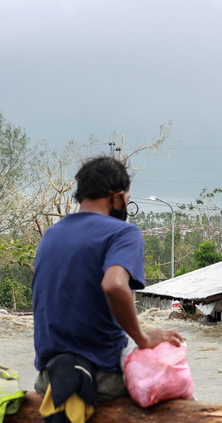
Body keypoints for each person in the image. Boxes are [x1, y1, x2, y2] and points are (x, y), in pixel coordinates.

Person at [32, 156, 183, 401]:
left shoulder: (51, 235)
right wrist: (142, 339)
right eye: (127, 199)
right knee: (173, 383)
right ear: (117, 196)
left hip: (48, 379)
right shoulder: (123, 233)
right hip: (99, 377)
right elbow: (113, 285)